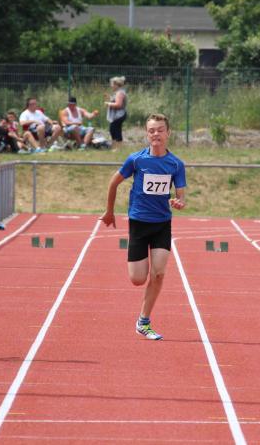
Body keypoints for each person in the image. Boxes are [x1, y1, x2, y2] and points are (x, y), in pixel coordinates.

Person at [99, 113, 187, 340]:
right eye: (151, 130)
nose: (156, 134)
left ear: (168, 133)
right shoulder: (136, 160)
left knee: (158, 274)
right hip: (139, 223)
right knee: (138, 279)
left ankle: (143, 321)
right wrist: (109, 212)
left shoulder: (176, 164)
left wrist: (179, 202)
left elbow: (181, 196)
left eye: (160, 130)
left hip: (162, 224)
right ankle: (142, 309)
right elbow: (113, 183)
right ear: (147, 134)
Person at [104, 76, 128, 150]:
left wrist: (108, 104)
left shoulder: (120, 93)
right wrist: (110, 98)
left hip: (119, 115)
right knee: (114, 130)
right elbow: (115, 101)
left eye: (112, 84)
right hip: (117, 115)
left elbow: (118, 104)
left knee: (115, 130)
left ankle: (117, 147)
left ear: (116, 85)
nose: (111, 86)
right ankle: (116, 147)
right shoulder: (118, 92)